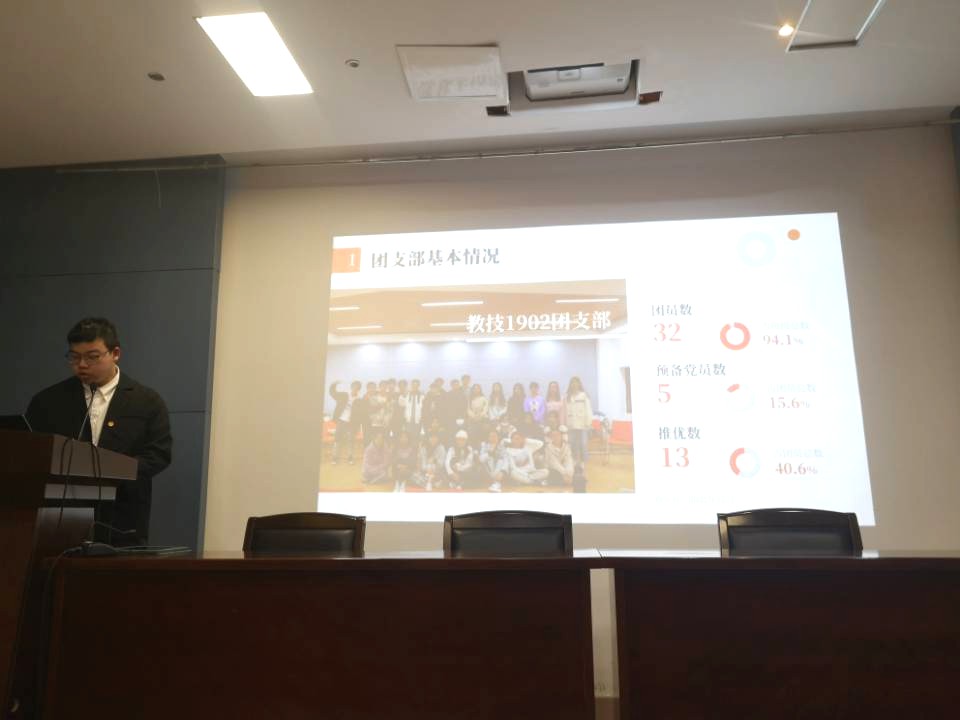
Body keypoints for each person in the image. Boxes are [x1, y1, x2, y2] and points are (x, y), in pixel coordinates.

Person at [25, 318, 171, 545]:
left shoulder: (146, 401)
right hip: (60, 517)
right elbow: (32, 453)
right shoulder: (47, 401)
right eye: (74, 357)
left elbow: (159, 454)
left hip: (122, 517)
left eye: (92, 357)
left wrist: (113, 471)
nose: (82, 365)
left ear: (115, 353)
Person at [329, 380, 361, 465]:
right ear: (351, 387)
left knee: (351, 441)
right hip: (341, 420)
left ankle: (350, 458)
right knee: (337, 440)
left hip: (351, 423)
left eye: (357, 388)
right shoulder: (344, 395)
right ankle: (334, 458)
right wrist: (333, 384)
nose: (355, 389)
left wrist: (357, 426)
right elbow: (333, 393)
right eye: (354, 386)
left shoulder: (358, 400)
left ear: (358, 389)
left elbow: (359, 415)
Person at [564, 376, 594, 466]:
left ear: (579, 384)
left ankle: (582, 461)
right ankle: (574, 460)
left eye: (576, 382)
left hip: (582, 424)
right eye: (572, 382)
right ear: (570, 384)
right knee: (572, 443)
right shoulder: (567, 396)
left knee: (583, 443)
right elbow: (565, 411)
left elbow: (588, 409)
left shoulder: (584, 395)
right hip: (571, 424)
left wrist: (588, 422)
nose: (574, 384)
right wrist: (565, 423)